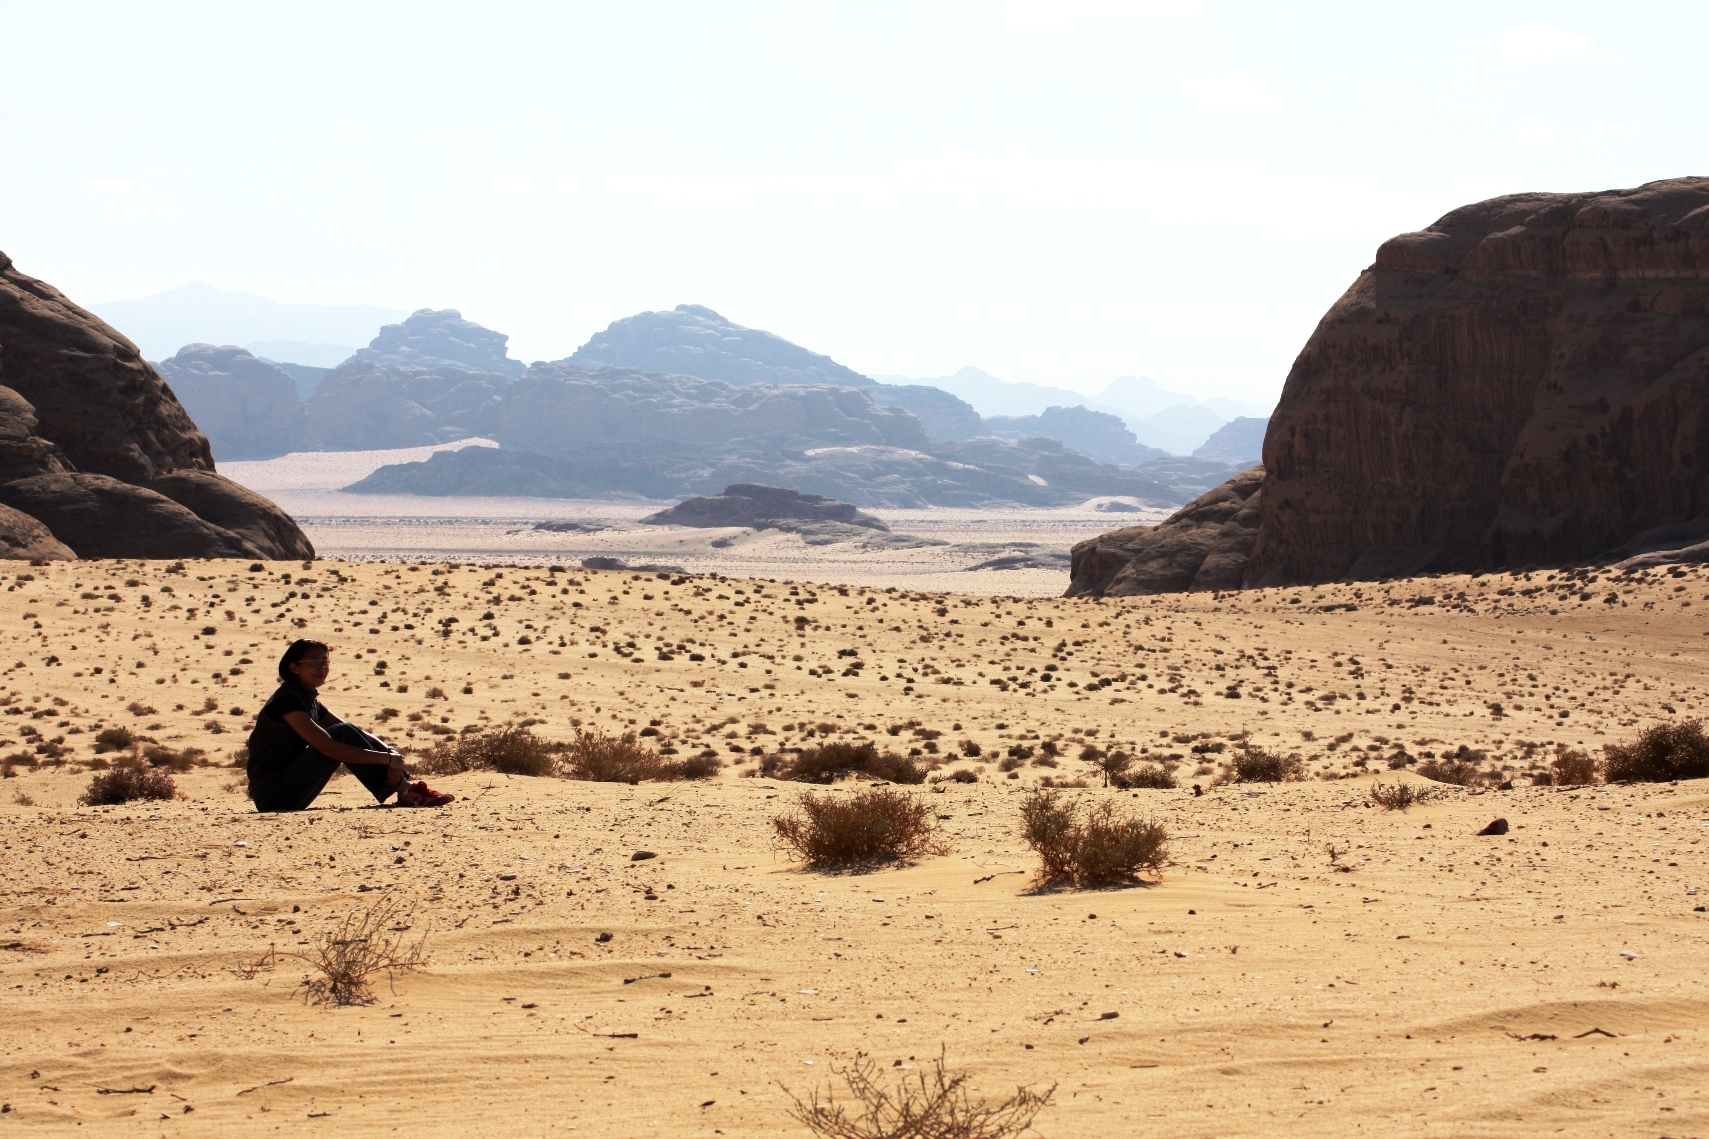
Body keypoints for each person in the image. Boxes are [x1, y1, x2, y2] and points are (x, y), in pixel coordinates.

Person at [246, 638, 453, 811]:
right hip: (273, 794)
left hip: (286, 789)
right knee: (340, 734)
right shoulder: (287, 701)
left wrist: (390, 754)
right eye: (313, 660)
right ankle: (406, 791)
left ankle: (406, 788)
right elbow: (328, 746)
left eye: (325, 661)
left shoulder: (307, 700)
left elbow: (352, 730)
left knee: (345, 730)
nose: (322, 666)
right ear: (294, 668)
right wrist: (387, 759)